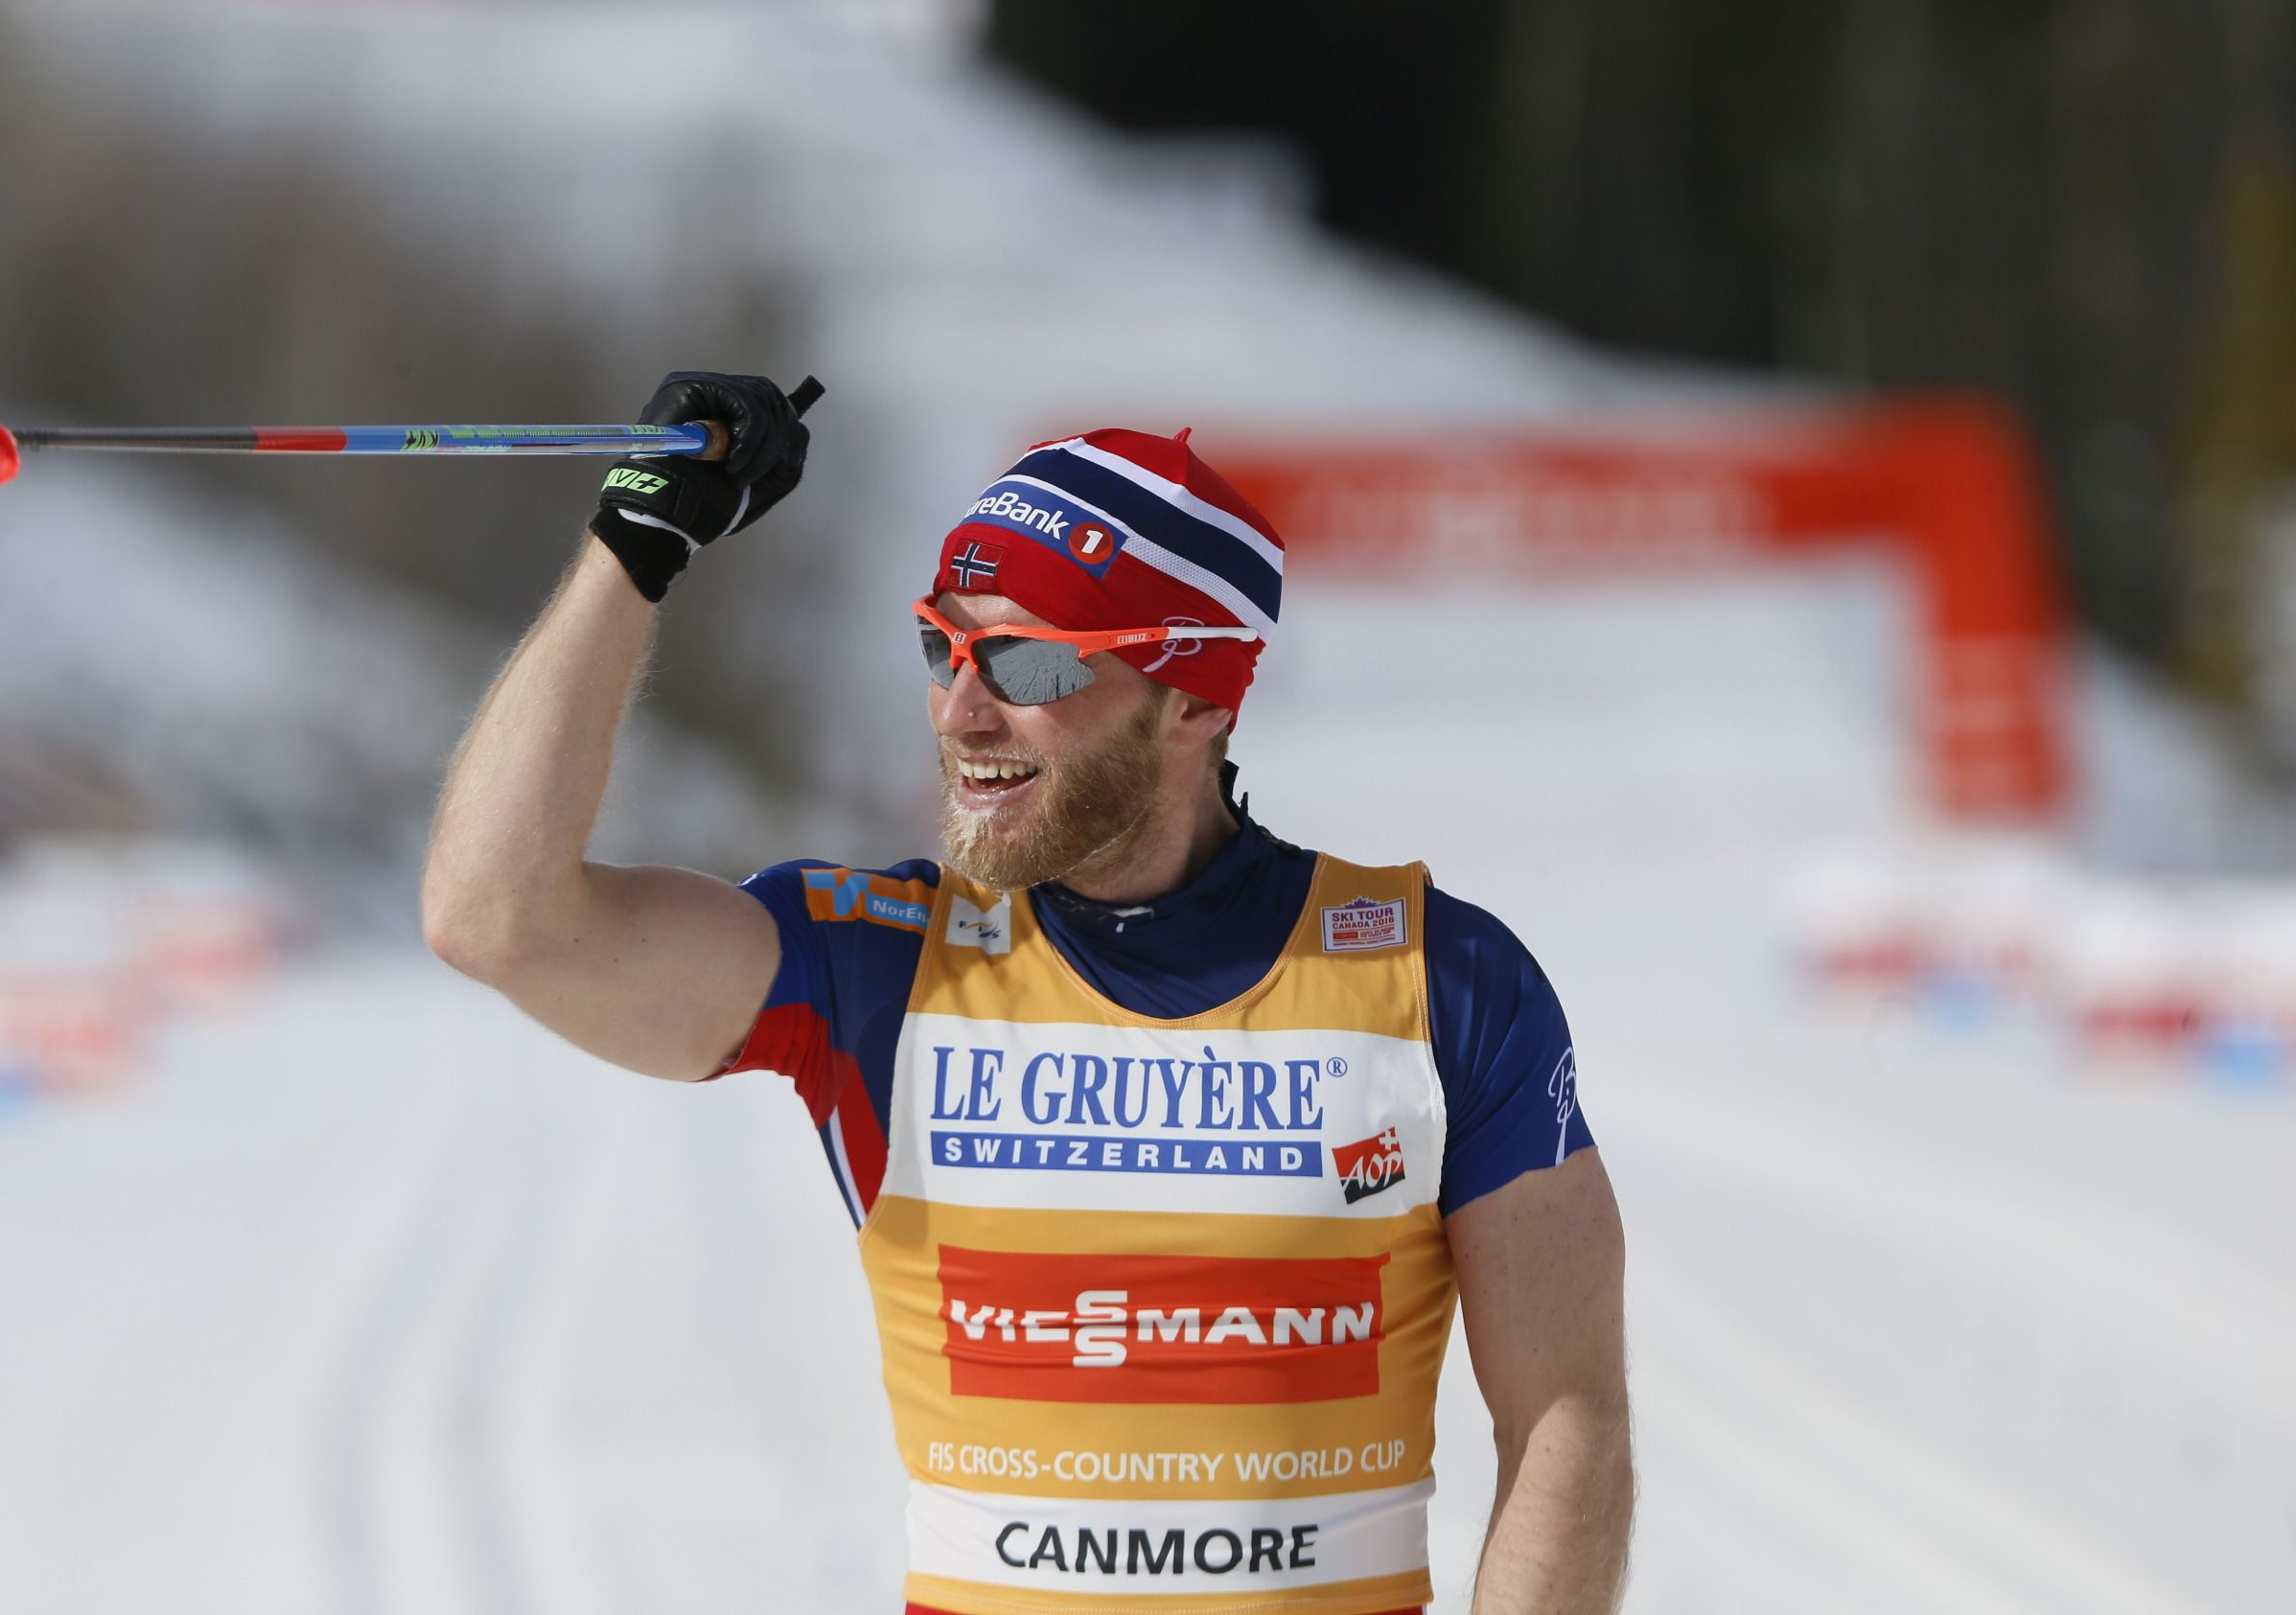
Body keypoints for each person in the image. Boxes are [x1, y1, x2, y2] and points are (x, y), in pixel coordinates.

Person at [422, 371, 1633, 1615]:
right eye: (939, 646)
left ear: (1196, 697)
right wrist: (634, 546)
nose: (961, 711)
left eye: (1029, 665)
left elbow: (1566, 1422)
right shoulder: (880, 964)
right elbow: (498, 917)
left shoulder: (1435, 978)